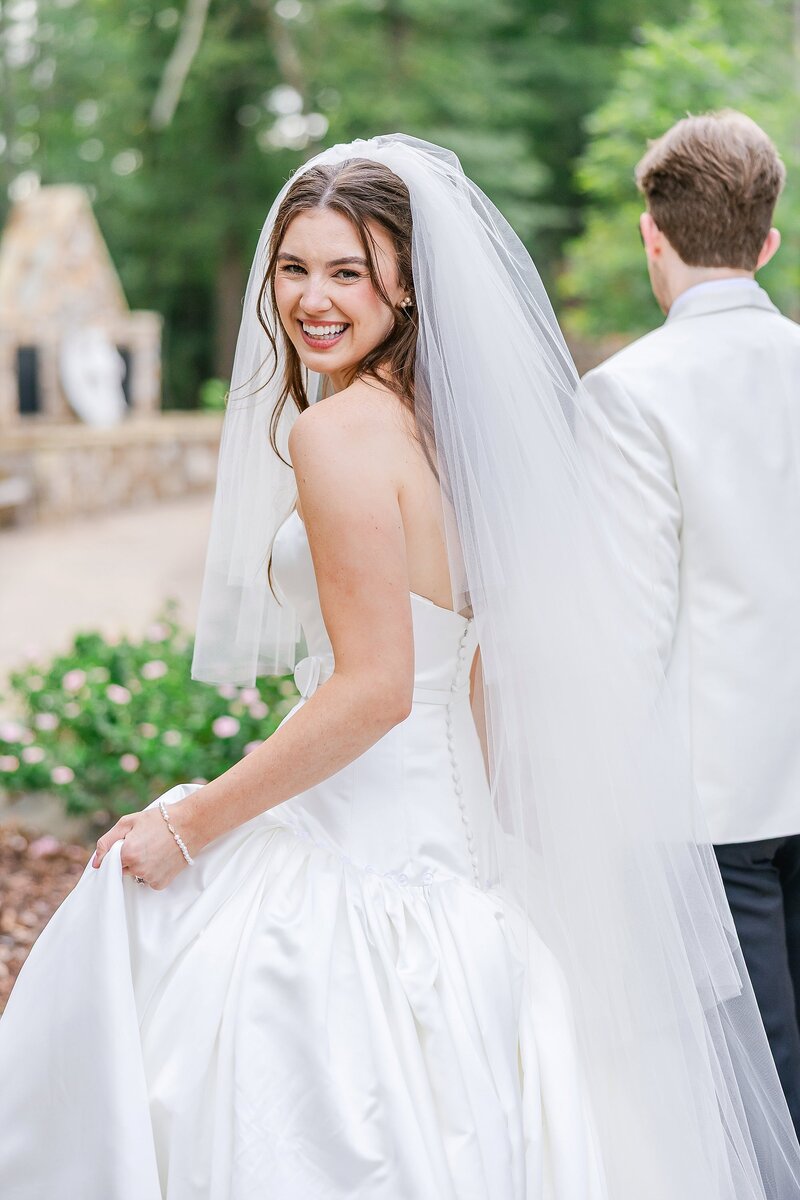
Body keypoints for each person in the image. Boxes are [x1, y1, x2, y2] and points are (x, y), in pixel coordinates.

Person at [0, 134, 798, 1200]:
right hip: (463, 858)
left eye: (348, 271)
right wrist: (522, 848)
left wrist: (190, 823)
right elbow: (471, 671)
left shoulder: (336, 436)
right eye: (294, 268)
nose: (311, 299)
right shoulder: (457, 436)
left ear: (408, 284)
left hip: (365, 845)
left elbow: (376, 688)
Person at [582, 110, 800, 1133]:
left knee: (754, 1103)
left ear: (650, 235)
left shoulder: (626, 394)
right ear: (767, 241)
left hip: (708, 809)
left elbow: (627, 631)